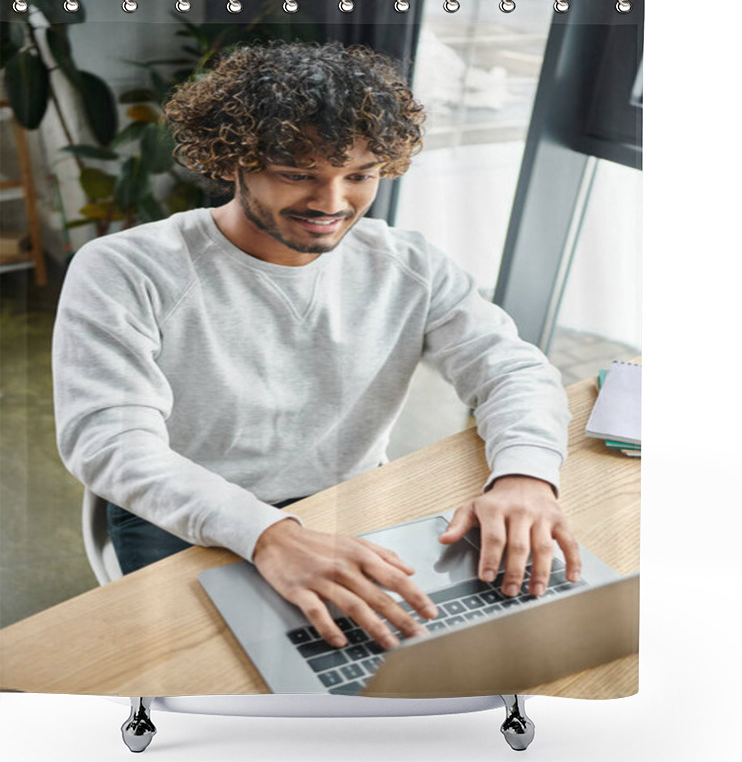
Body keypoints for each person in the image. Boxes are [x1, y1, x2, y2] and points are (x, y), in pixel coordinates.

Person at [52, 41, 580, 653]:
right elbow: (111, 442)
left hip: (349, 500)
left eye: (359, 176)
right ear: (233, 160)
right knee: (233, 681)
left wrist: (525, 477)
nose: (331, 204)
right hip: (188, 517)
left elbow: (511, 370)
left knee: (440, 650)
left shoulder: (407, 265)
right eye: (298, 175)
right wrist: (267, 533)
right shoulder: (126, 269)